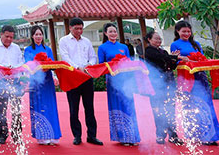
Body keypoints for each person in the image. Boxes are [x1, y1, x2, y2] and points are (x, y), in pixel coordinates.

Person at [170, 20, 219, 146]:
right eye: (184, 31)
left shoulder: (196, 44)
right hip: (186, 79)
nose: (187, 33)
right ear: (178, 31)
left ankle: (210, 136)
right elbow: (175, 62)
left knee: (205, 105)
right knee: (190, 106)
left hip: (200, 77)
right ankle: (195, 136)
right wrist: (184, 60)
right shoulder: (174, 44)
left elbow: (202, 59)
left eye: (188, 31)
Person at [58, 17, 103, 146]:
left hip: (86, 77)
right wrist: (77, 68)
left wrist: (89, 65)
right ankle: (77, 135)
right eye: (76, 28)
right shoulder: (64, 41)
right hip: (72, 77)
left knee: (89, 107)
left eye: (81, 28)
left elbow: (93, 57)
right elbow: (65, 57)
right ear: (70, 28)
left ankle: (92, 135)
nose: (79, 31)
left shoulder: (86, 41)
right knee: (74, 108)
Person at [97, 23, 141, 146]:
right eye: (110, 32)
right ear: (105, 33)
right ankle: (122, 137)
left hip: (126, 80)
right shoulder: (103, 48)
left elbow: (129, 62)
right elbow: (102, 65)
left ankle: (133, 136)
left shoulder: (124, 47)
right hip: (113, 80)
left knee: (129, 106)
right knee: (118, 106)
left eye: (114, 31)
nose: (113, 34)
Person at [23, 26, 61, 145]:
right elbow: (27, 65)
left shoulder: (48, 49)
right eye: (36, 35)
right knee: (38, 106)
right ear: (32, 36)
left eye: (40, 34)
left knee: (50, 106)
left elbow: (53, 64)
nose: (38, 37)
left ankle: (53, 134)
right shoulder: (28, 50)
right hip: (36, 82)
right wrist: (39, 69)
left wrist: (53, 75)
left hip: (47, 81)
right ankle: (41, 135)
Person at [143, 29, 182, 146]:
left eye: (159, 38)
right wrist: (173, 57)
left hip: (169, 83)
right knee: (158, 110)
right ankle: (160, 135)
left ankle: (173, 135)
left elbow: (171, 65)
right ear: (149, 40)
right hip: (156, 85)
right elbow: (164, 59)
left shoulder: (163, 51)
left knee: (170, 110)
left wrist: (174, 59)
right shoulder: (149, 51)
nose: (158, 40)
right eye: (156, 38)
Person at [0, 25, 25, 145]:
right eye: (7, 36)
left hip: (15, 81)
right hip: (0, 81)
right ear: (1, 35)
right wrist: (5, 69)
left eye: (11, 37)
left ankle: (17, 134)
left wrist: (16, 73)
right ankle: (3, 135)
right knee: (1, 110)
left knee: (16, 110)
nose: (9, 39)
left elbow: (21, 63)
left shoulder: (16, 48)